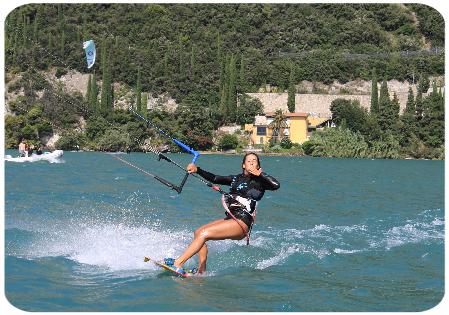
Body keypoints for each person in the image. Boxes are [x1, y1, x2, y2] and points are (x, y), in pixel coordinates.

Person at [161, 153, 280, 275]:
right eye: (248, 161)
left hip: (242, 222)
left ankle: (178, 262)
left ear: (258, 165)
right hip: (231, 219)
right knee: (198, 233)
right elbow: (215, 178)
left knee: (204, 234)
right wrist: (197, 170)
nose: (251, 163)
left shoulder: (260, 182)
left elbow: (276, 185)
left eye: (254, 161)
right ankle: (201, 271)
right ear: (243, 165)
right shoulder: (236, 178)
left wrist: (260, 174)